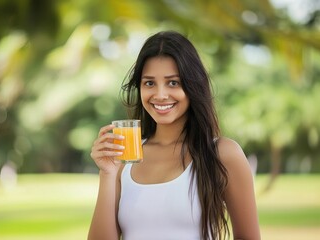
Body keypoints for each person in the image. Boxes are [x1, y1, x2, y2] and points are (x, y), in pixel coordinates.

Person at [88, 30, 261, 240]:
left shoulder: (222, 153)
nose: (160, 95)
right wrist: (107, 173)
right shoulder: (125, 158)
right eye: (149, 83)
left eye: (173, 83)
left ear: (192, 85)